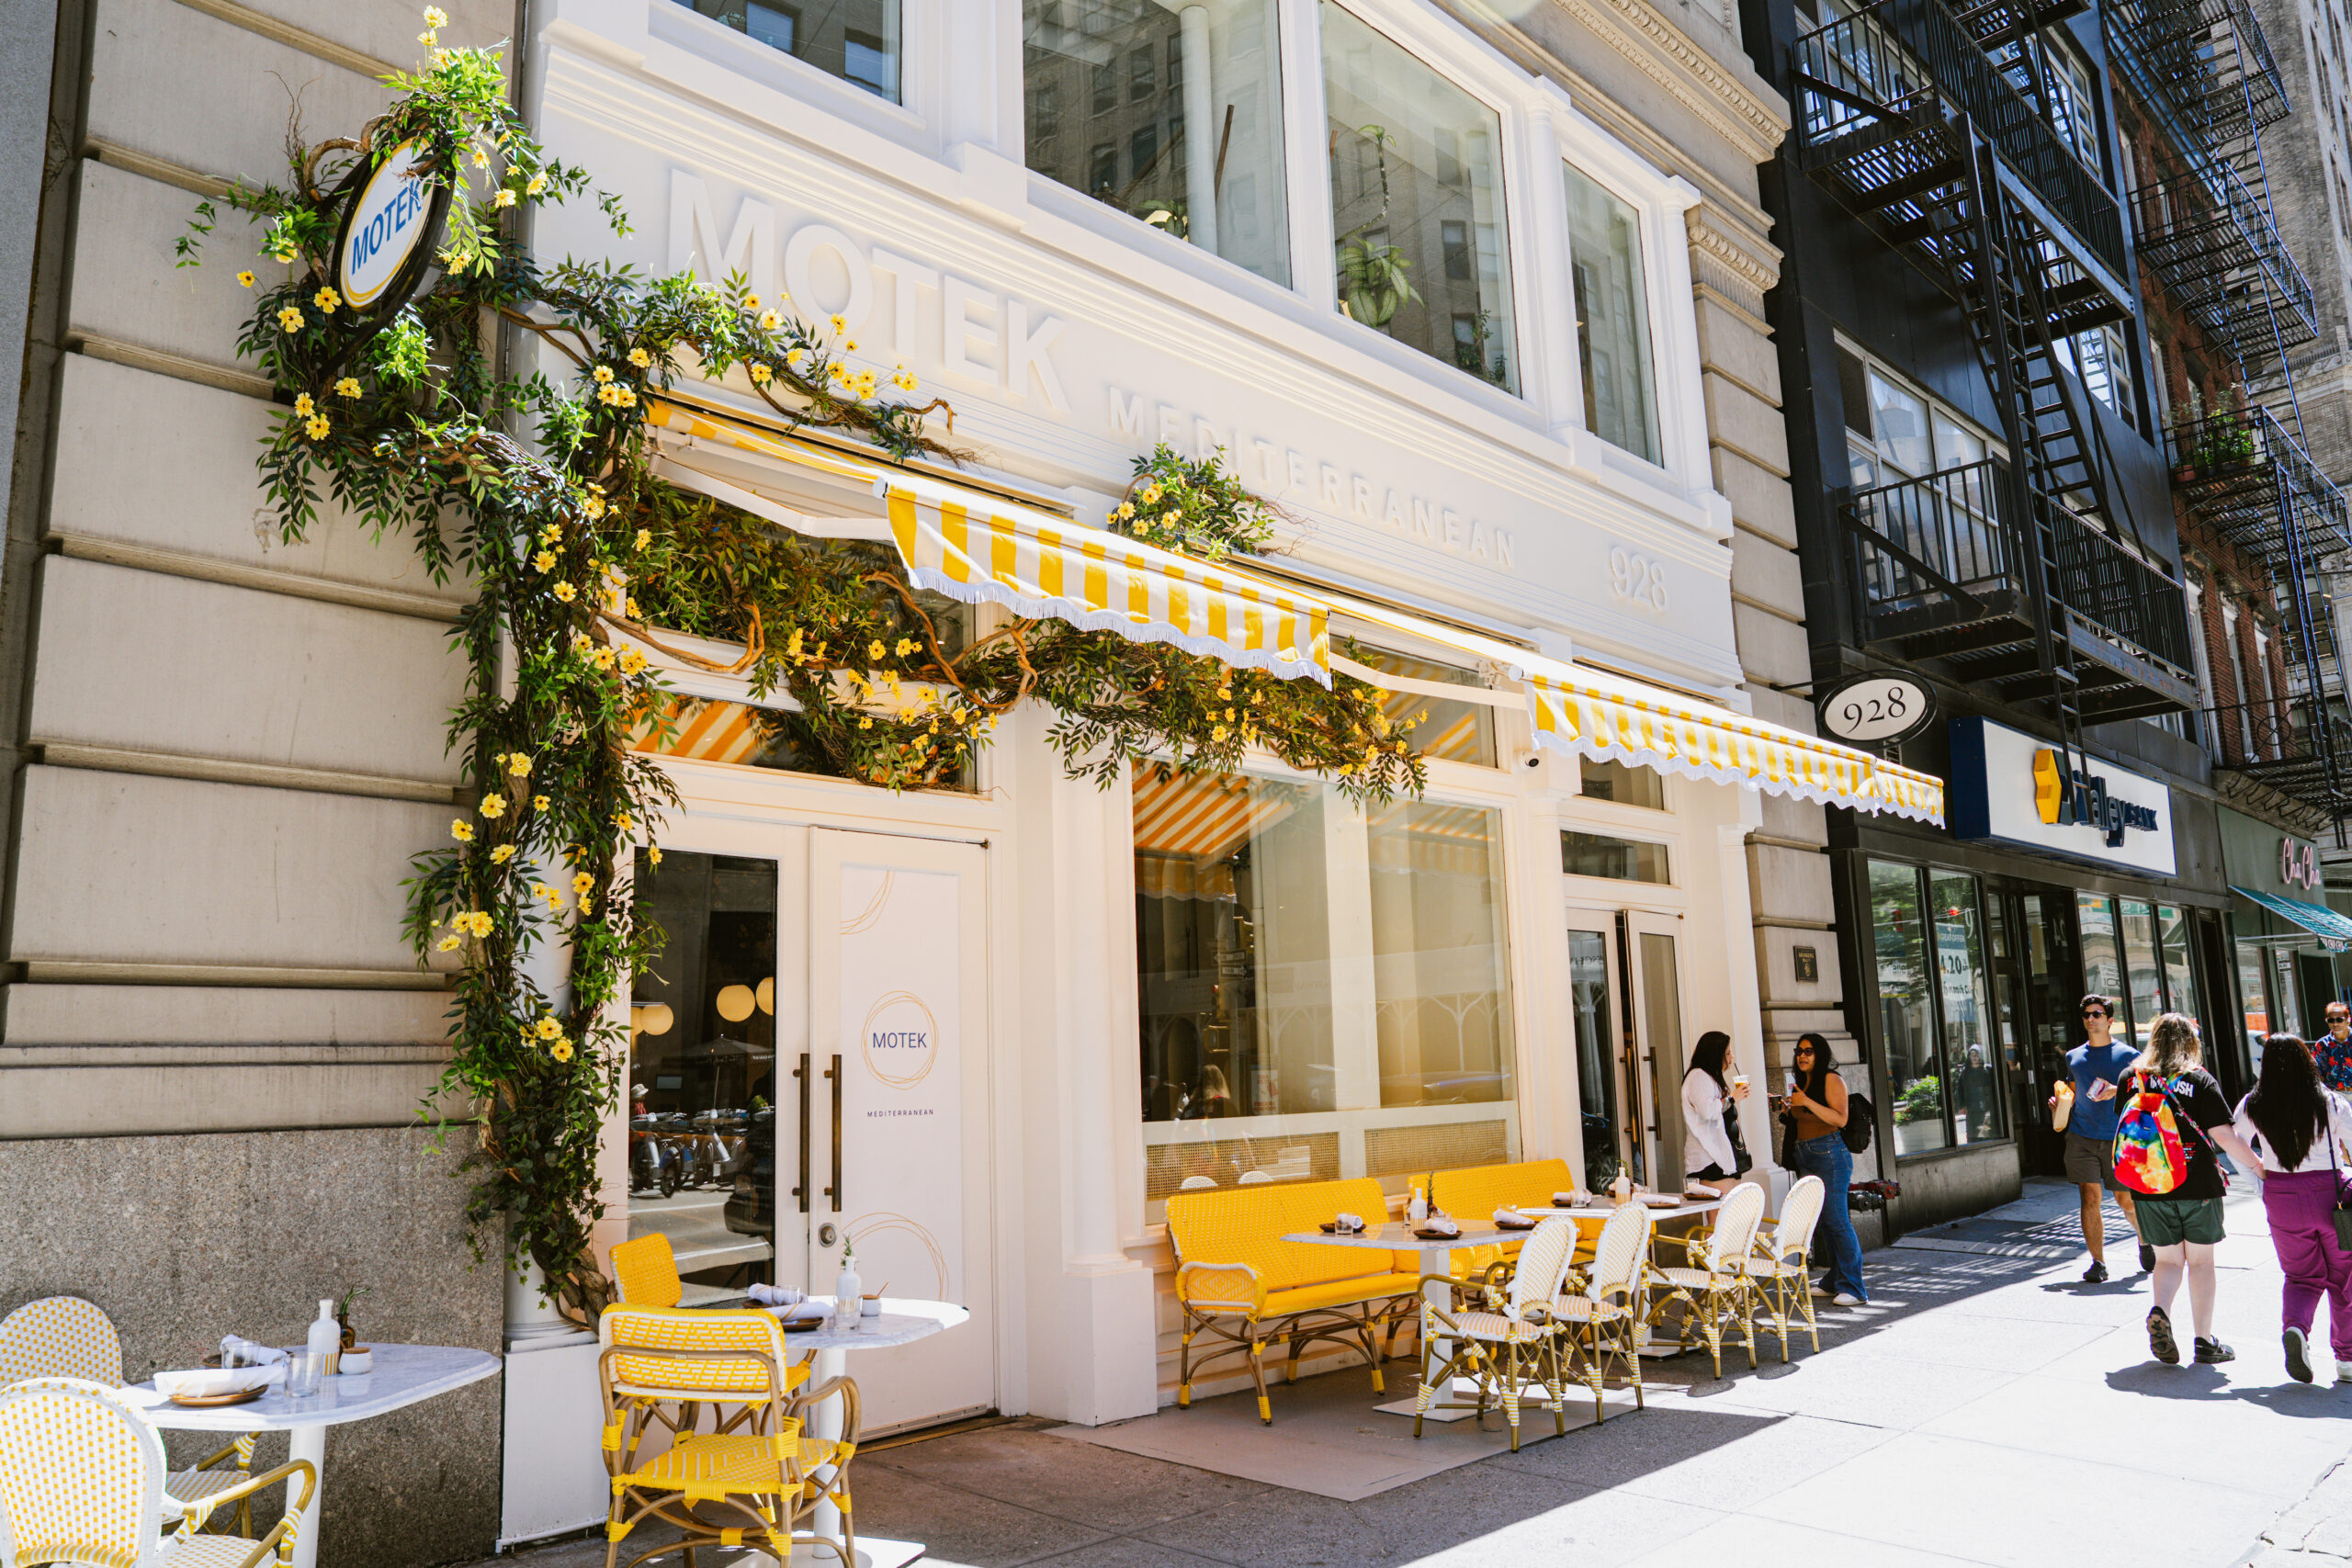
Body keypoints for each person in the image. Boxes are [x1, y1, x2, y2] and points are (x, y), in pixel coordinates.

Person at [2127, 1012, 2266, 1366]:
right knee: (2201, 1263)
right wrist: (2256, 1166)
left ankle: (2161, 1310)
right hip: (2197, 1183)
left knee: (2168, 1260)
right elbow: (2222, 1135)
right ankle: (2204, 1341)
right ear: (2192, 1042)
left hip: (2150, 1185)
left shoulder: (2132, 1078)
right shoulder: (2199, 1079)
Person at [2233, 1033, 2352, 1383]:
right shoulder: (2329, 1101)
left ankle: (2296, 1329)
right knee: (2344, 1278)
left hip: (2281, 1195)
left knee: (2301, 1276)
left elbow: (2231, 1142)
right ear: (2307, 1060)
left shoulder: (2253, 1102)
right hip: (2331, 1194)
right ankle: (2346, 1360)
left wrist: (2259, 1178)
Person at [2055, 994, 2145, 1282]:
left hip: (2117, 1138)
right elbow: (2070, 1090)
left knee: (2125, 1200)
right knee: (2089, 1198)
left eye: (2096, 1014)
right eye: (2086, 1015)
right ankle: (2098, 1262)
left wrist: (2116, 1090)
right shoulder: (2073, 1056)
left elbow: (2145, 1094)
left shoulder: (2129, 1056)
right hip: (2081, 1135)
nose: (2091, 1019)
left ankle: (2145, 1241)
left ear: (2110, 1020)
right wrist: (2060, 1104)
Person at [1782, 1031, 1868, 1305]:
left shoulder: (1831, 1079)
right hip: (1805, 1154)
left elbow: (1840, 1119)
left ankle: (1854, 1287)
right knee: (1823, 1222)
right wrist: (1788, 1110)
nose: (1802, 1056)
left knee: (1837, 1220)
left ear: (1820, 1054)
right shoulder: (1801, 1083)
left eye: (1808, 1051)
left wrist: (1805, 1102)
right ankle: (1834, 1280)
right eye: (1799, 1051)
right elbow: (1806, 1118)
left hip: (1829, 1154)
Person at [1682, 1031, 1752, 1195]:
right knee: (1719, 1216)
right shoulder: (1698, 1076)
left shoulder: (1712, 1078)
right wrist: (1733, 1097)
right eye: (1727, 1053)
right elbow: (1708, 1111)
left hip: (1722, 1156)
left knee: (1730, 1214)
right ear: (1715, 1055)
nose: (1731, 1057)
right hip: (1709, 1159)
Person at [2313, 1001, 2352, 1094]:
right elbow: (2318, 1074)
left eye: (2339, 1020)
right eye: (2331, 1020)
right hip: (2335, 1095)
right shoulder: (2321, 1045)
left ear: (2348, 1019)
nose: (2335, 1024)